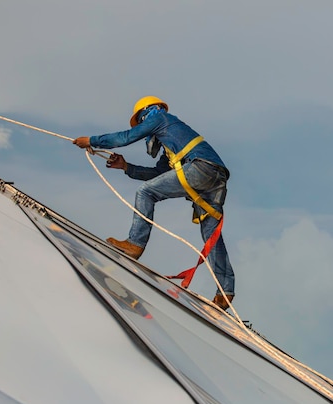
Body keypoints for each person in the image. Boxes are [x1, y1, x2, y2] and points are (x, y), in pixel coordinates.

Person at [73, 96, 235, 310]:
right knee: (210, 235)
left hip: (200, 168)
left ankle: (135, 244)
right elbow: (158, 174)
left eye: (141, 121)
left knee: (145, 192)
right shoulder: (171, 149)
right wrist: (125, 167)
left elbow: (126, 137)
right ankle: (225, 290)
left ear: (145, 113)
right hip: (213, 176)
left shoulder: (159, 117)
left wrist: (92, 141)